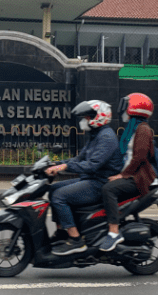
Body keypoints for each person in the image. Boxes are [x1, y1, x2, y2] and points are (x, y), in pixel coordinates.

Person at [45, 99, 122, 256]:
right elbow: (80, 159)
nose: (83, 121)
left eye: (86, 117)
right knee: (53, 189)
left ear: (98, 117)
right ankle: (61, 233)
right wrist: (57, 164)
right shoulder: (96, 135)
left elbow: (91, 165)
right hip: (90, 179)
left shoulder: (106, 137)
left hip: (99, 183)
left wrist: (65, 167)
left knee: (60, 196)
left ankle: (76, 240)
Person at [99, 93, 158, 252]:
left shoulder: (143, 130)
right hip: (130, 174)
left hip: (138, 178)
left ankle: (113, 232)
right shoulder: (133, 129)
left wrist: (122, 175)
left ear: (135, 109)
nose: (122, 112)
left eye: (126, 108)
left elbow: (138, 157)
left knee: (108, 189)